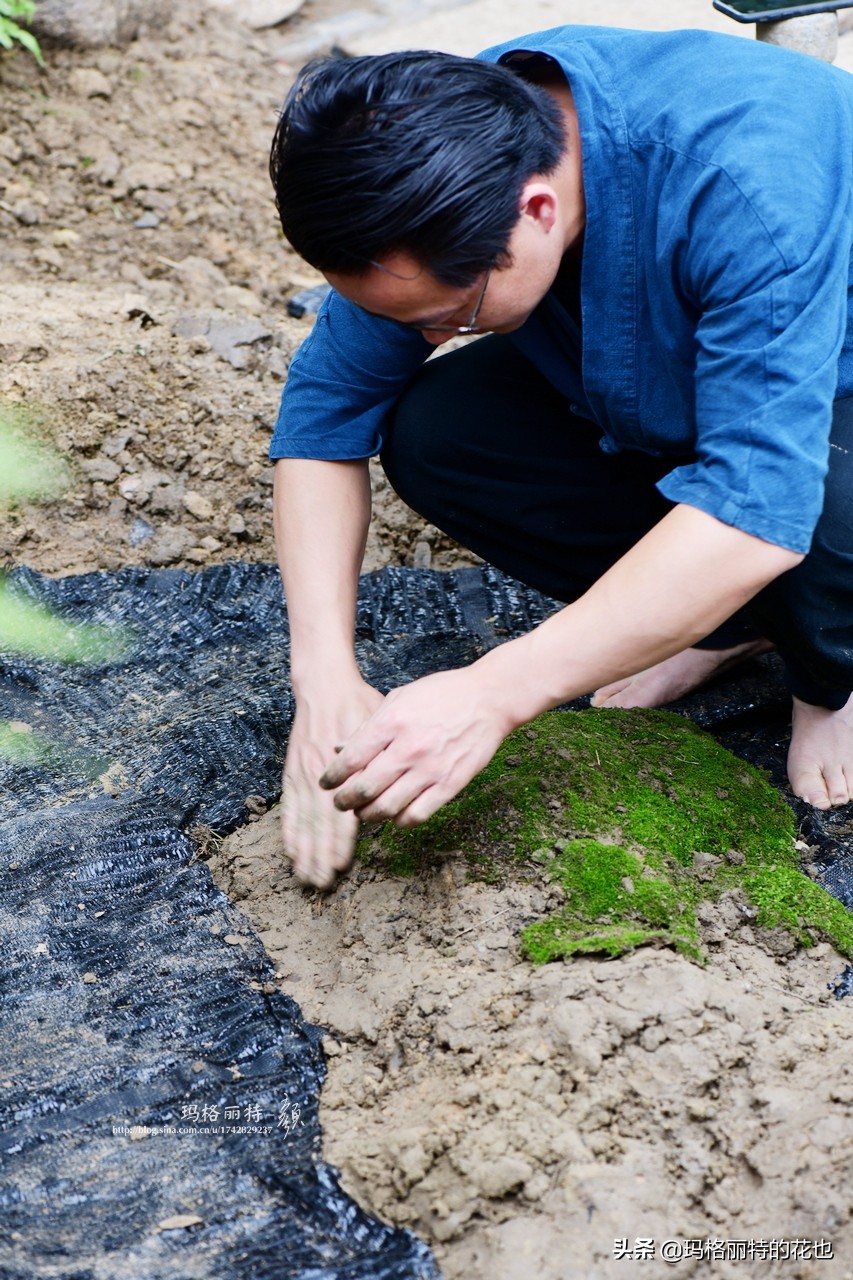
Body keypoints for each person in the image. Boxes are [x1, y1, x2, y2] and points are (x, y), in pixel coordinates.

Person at [267, 24, 853, 888]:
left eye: (452, 316)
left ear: (536, 213)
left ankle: (831, 671)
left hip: (831, 375)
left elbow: (754, 508)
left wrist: (492, 692)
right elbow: (325, 420)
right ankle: (728, 623)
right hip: (682, 366)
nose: (431, 337)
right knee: (437, 431)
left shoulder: (744, 181)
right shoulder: (427, 162)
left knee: (815, 509)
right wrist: (321, 680)